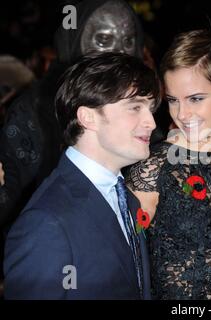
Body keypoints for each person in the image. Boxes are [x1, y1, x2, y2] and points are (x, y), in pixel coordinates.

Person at [3, 52, 160, 299]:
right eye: (135, 107)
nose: (150, 121)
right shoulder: (46, 223)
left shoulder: (125, 198)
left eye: (150, 109)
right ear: (88, 117)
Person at [126, 29, 211, 299]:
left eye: (195, 99)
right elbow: (120, 259)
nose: (182, 114)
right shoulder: (154, 168)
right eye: (172, 101)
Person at [0, 0, 146, 229]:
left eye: (128, 40)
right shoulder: (33, 111)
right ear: (73, 42)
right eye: (103, 40)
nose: (119, 52)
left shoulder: (143, 111)